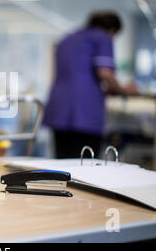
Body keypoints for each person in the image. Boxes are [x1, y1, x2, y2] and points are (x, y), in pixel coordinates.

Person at [42, 11, 138, 158]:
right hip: (85, 110)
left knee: (62, 164)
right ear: (112, 31)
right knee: (84, 165)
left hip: (59, 108)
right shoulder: (103, 37)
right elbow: (104, 73)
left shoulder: (67, 39)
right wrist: (123, 90)